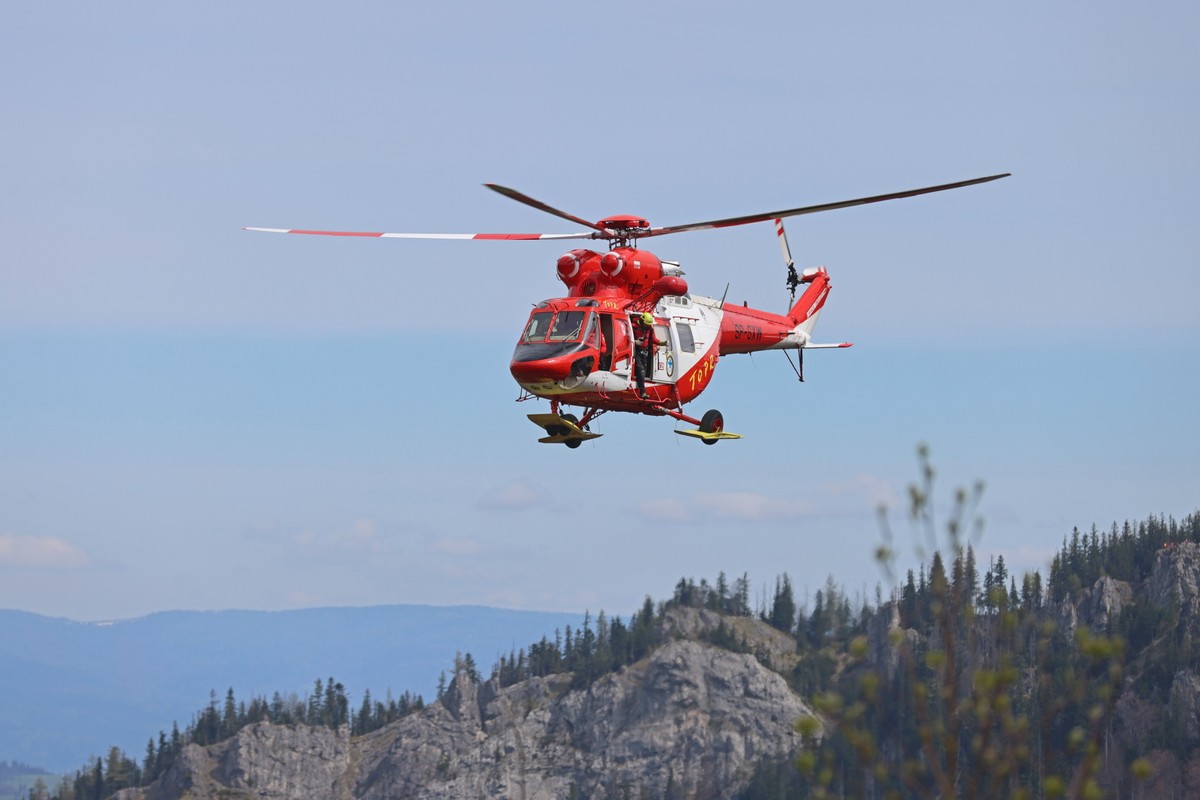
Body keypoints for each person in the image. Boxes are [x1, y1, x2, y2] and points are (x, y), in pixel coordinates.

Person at [632, 311, 664, 399]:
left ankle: (642, 391)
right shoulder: (633, 326)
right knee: (641, 371)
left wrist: (662, 343)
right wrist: (635, 342)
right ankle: (642, 392)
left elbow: (653, 339)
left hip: (645, 352)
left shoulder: (650, 329)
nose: (648, 327)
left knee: (644, 371)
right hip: (636, 351)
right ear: (642, 322)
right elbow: (626, 337)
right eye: (646, 325)